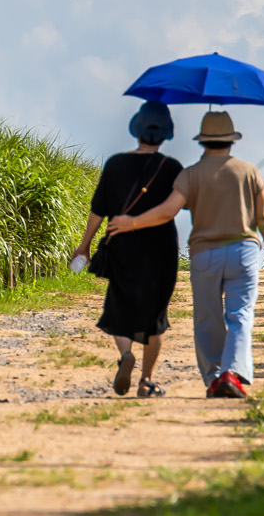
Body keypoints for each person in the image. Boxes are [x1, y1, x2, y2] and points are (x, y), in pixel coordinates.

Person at [107, 109, 264, 398]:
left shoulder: (190, 175)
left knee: (207, 317)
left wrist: (132, 222)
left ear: (203, 142)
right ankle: (233, 372)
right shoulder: (249, 171)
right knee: (240, 315)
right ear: (231, 141)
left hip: (205, 255)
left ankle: (215, 378)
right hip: (243, 252)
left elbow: (167, 212)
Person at [71, 100, 183, 398]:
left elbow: (98, 210)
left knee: (119, 306)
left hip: (121, 245)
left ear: (136, 129)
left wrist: (84, 246)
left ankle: (125, 356)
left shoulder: (116, 163)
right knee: (156, 317)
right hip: (160, 250)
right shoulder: (172, 168)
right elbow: (175, 209)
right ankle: (146, 381)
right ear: (166, 134)